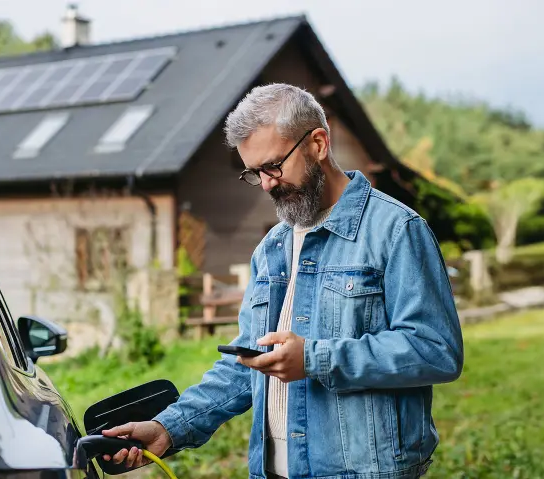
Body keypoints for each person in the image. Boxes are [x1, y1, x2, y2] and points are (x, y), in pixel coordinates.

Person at [100, 83, 465, 479]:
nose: (268, 183)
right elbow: (246, 366)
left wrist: (314, 358)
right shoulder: (271, 247)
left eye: (274, 165)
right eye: (255, 173)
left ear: (319, 144)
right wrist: (169, 428)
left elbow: (436, 350)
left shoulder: (396, 230)